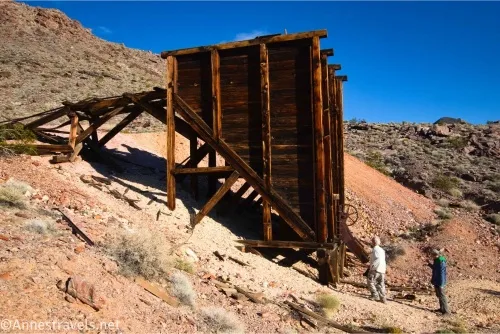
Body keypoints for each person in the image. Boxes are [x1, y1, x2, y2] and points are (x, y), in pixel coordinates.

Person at [428, 248, 450, 315]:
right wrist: (429, 264)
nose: (432, 257)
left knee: (442, 296)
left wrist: (441, 284)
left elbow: (441, 273)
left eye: (432, 255)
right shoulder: (437, 260)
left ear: (435, 255)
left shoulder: (441, 261)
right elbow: (435, 269)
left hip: (440, 281)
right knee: (439, 296)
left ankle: (446, 312)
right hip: (437, 280)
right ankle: (441, 309)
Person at [366, 236, 387, 303]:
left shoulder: (374, 250)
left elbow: (376, 259)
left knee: (370, 281)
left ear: (372, 242)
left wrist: (371, 267)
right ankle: (383, 298)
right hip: (382, 269)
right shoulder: (382, 250)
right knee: (381, 284)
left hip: (376, 268)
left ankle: (375, 295)